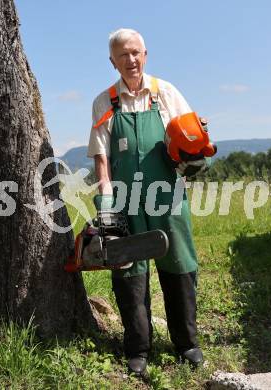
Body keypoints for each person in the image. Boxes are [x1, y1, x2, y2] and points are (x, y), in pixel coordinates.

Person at [87, 28, 205, 375]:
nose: (131, 60)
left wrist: (195, 155)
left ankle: (187, 343)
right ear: (113, 62)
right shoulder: (105, 102)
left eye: (136, 52)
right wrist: (107, 211)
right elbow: (101, 162)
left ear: (146, 54)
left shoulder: (165, 93)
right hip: (124, 202)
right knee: (129, 272)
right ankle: (138, 346)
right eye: (123, 55)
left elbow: (190, 140)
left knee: (180, 266)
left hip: (168, 198)